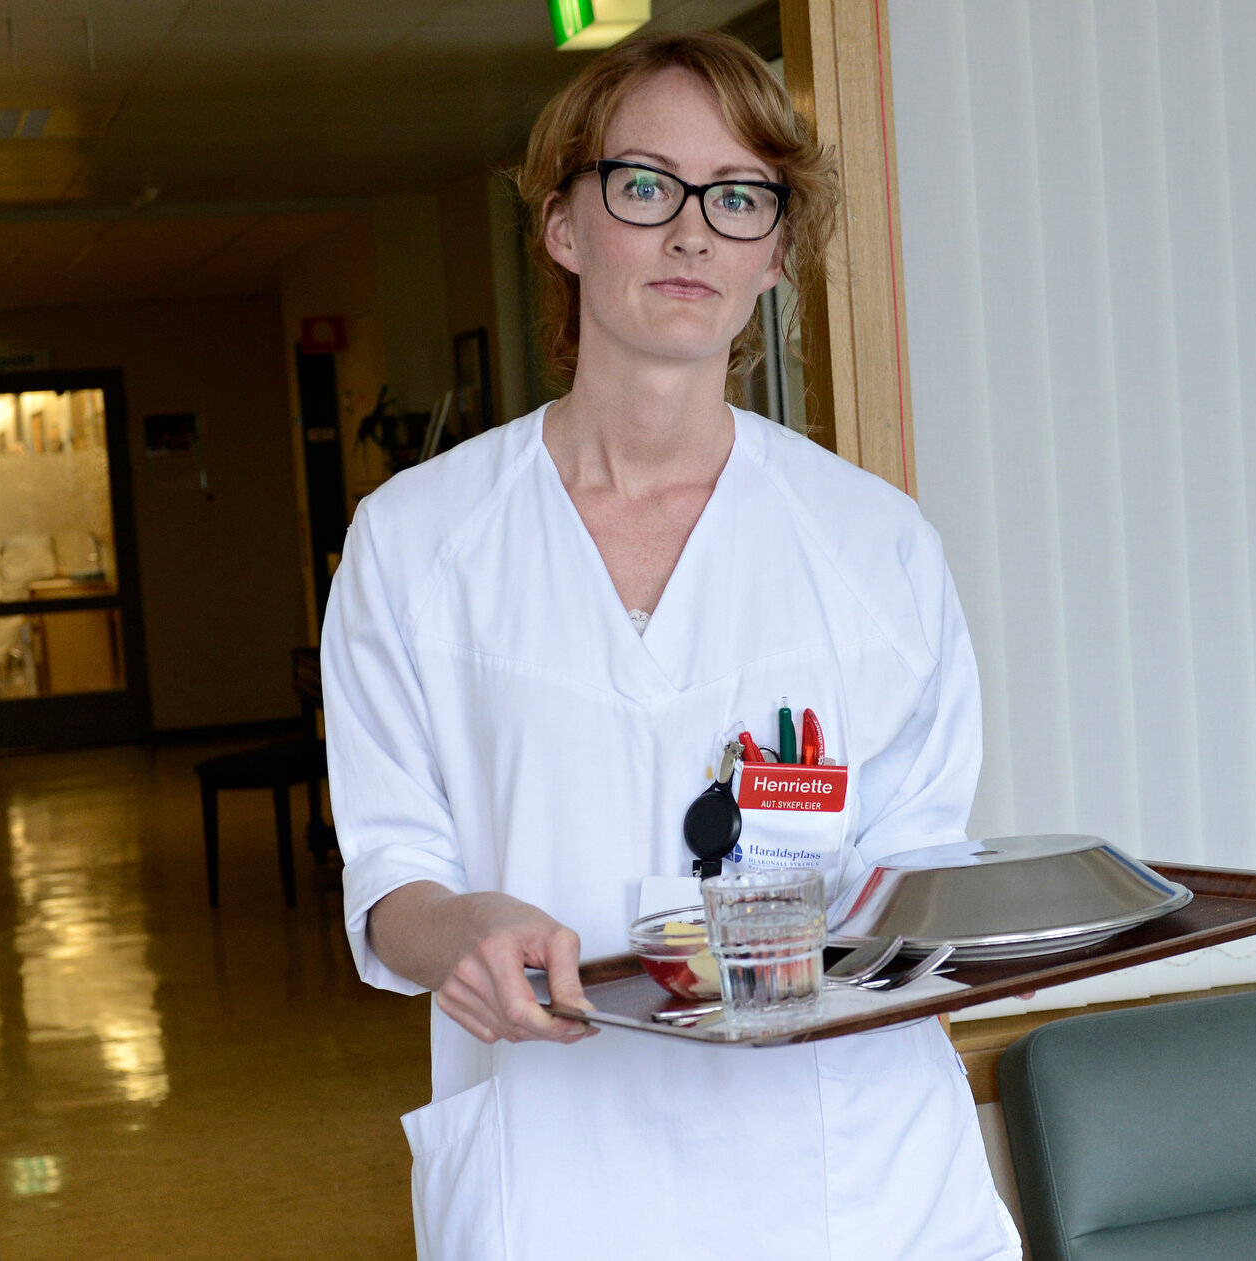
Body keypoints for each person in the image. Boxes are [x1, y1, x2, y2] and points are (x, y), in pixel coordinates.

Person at [322, 30, 1020, 1260]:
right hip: (562, 1170)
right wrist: (459, 929)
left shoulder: (876, 548)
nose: (692, 232)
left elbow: (912, 879)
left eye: (739, 196)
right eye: (645, 185)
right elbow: (391, 876)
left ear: (774, 252)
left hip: (846, 1182)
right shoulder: (416, 541)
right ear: (562, 226)